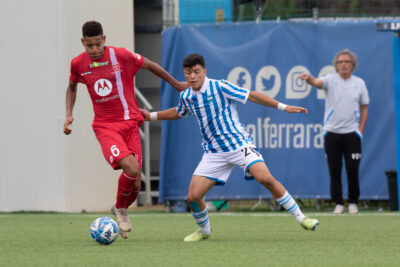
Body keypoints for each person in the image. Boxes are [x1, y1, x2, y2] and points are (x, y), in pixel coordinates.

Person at [141, 53, 319, 242]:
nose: (192, 77)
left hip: (239, 144)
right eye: (187, 73)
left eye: (196, 72)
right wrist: (150, 116)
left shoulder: (220, 87)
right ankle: (204, 231)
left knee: (265, 178)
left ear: (204, 71)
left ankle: (302, 218)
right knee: (193, 196)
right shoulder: (187, 96)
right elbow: (179, 112)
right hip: (214, 152)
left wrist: (283, 107)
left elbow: (252, 96)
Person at [63, 21, 187, 239]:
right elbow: (72, 87)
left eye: (98, 44)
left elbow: (150, 65)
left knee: (136, 183)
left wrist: (176, 84)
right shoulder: (78, 64)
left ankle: (119, 206)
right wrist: (69, 114)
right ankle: (121, 209)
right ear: (83, 43)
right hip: (105, 127)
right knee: (131, 168)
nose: (94, 50)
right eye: (89, 46)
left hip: (130, 123)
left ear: (105, 39)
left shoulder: (120, 56)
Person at [300, 49, 369, 215]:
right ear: (336, 66)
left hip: (352, 134)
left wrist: (359, 131)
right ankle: (338, 203)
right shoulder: (330, 80)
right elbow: (317, 83)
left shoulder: (359, 83)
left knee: (353, 169)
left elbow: (364, 107)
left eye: (347, 62)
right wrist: (309, 79)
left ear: (352, 65)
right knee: (334, 169)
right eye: (340, 62)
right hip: (332, 133)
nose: (343, 64)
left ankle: (353, 202)